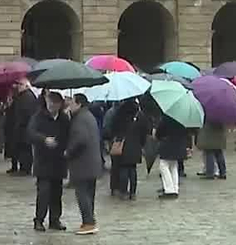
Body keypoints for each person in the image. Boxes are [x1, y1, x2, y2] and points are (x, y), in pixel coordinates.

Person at [27, 90, 69, 231]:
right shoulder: (38, 116)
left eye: (55, 103)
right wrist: (44, 139)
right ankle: (39, 219)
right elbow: (31, 133)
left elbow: (68, 135)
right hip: (43, 160)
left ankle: (55, 219)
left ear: (60, 104)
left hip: (59, 160)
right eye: (50, 102)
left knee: (57, 193)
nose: (52, 106)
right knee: (43, 193)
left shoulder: (64, 118)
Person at [63, 93, 103, 235]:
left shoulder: (80, 119)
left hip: (82, 163)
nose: (69, 105)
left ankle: (88, 223)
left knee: (82, 194)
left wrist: (68, 151)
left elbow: (80, 139)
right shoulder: (88, 116)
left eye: (72, 102)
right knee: (89, 194)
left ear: (79, 104)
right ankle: (90, 220)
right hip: (91, 162)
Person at [104, 97, 148, 200]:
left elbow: (113, 129)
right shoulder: (140, 115)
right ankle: (133, 193)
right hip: (136, 145)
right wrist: (142, 144)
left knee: (123, 168)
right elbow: (145, 131)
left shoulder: (120, 113)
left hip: (122, 144)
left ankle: (123, 191)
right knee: (133, 169)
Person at [6, 78, 38, 177]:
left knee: (25, 149)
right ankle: (21, 167)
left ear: (26, 86)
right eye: (18, 84)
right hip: (20, 127)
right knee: (20, 148)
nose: (18, 86)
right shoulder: (21, 96)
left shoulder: (27, 96)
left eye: (20, 84)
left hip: (25, 127)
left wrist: (21, 123)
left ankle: (25, 169)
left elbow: (27, 113)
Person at [153, 114, 191, 198]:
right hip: (179, 145)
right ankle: (175, 188)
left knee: (163, 166)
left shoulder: (166, 118)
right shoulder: (182, 118)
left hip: (168, 145)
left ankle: (169, 189)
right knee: (174, 166)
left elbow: (159, 132)